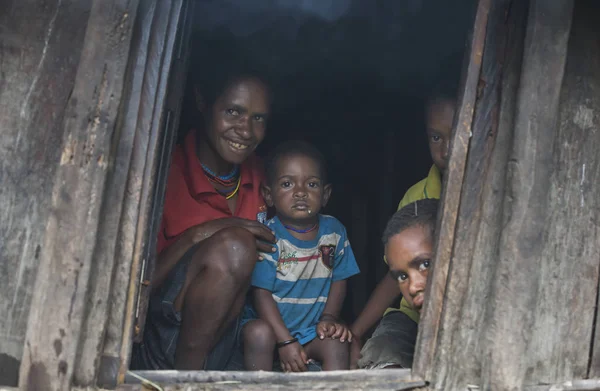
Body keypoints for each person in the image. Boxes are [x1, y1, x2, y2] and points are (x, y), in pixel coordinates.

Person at [130, 63, 278, 370]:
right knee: (235, 246)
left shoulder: (268, 180)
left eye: (258, 118)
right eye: (233, 112)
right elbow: (130, 295)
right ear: (202, 103)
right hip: (162, 344)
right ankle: (188, 381)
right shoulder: (162, 176)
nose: (246, 131)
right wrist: (196, 236)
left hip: (237, 337)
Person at [349, 81, 456, 369]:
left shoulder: (496, 193)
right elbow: (396, 273)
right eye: (436, 137)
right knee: (383, 352)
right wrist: (357, 331)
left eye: (458, 133)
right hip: (414, 316)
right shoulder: (416, 197)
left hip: (466, 315)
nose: (447, 149)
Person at [241, 141, 360, 372]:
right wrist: (285, 341)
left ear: (325, 195)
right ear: (269, 195)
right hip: (269, 326)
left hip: (309, 330)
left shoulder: (334, 232)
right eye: (287, 184)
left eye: (312, 184)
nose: (300, 192)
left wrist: (329, 317)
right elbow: (261, 294)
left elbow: (339, 279)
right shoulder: (269, 236)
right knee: (258, 334)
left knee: (336, 343)